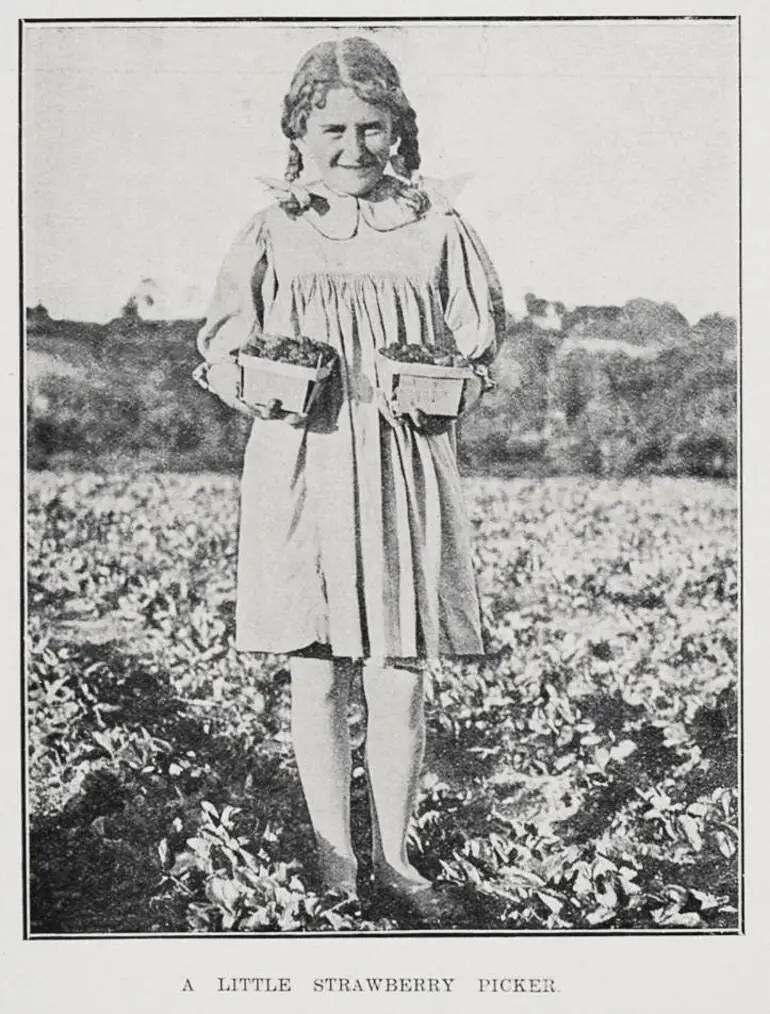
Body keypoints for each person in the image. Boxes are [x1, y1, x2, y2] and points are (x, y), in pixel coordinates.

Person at [195, 35, 506, 918]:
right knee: (316, 665)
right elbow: (220, 347)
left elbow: (476, 349)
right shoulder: (271, 231)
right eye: (332, 128)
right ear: (297, 131)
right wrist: (257, 382)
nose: (352, 148)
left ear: (399, 131)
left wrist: (450, 389)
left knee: (399, 666)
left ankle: (397, 859)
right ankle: (335, 862)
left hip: (404, 458)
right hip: (302, 461)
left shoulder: (436, 228)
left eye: (372, 129)